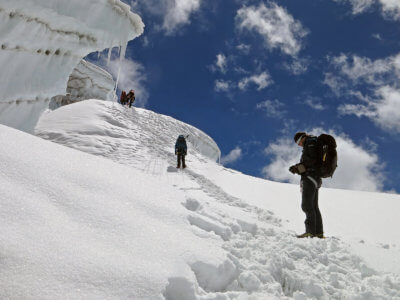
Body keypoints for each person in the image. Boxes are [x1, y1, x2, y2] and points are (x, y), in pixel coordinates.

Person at [289, 132, 324, 239]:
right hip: (316, 178)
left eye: (299, 142)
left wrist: (297, 167)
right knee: (314, 207)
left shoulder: (310, 143)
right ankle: (319, 233)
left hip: (310, 178)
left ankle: (310, 232)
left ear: (302, 138)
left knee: (307, 206)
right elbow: (314, 160)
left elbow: (311, 161)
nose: (299, 145)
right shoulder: (314, 143)